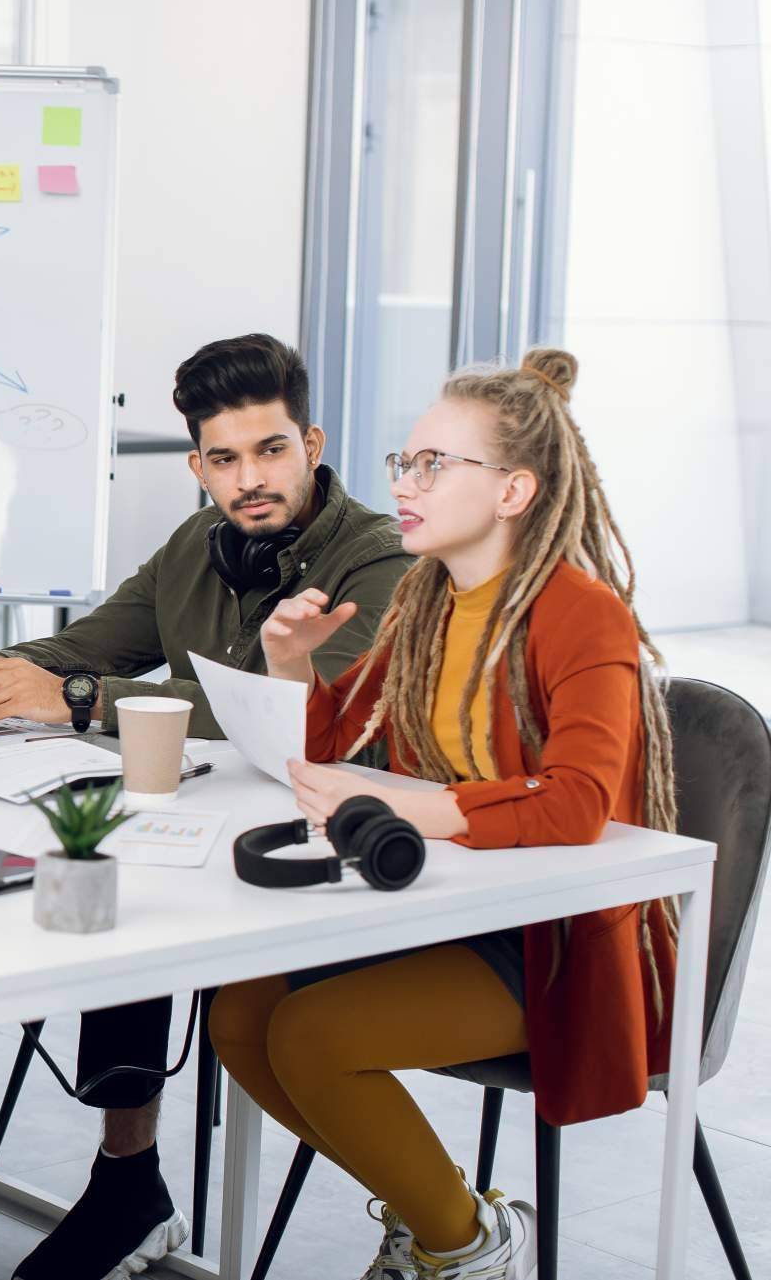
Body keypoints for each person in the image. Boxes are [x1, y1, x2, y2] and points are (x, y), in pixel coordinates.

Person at [0, 334, 412, 1280]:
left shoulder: (380, 561)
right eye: (224, 458)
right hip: (197, 818)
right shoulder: (195, 545)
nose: (249, 478)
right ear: (197, 465)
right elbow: (93, 644)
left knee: (121, 887)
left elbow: (323, 710)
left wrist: (85, 701)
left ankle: (124, 1181)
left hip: (318, 848)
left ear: (313, 440)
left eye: (270, 450)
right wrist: (1, 668)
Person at [209, 348, 678, 1280]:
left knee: (313, 1035)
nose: (407, 484)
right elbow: (336, 742)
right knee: (239, 1012)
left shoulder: (581, 613)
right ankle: (453, 1219)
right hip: (455, 903)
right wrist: (293, 658)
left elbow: (579, 801)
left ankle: (458, 1246)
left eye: (436, 465)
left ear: (512, 491)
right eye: (405, 461)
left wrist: (419, 805)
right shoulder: (428, 599)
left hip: (556, 938)